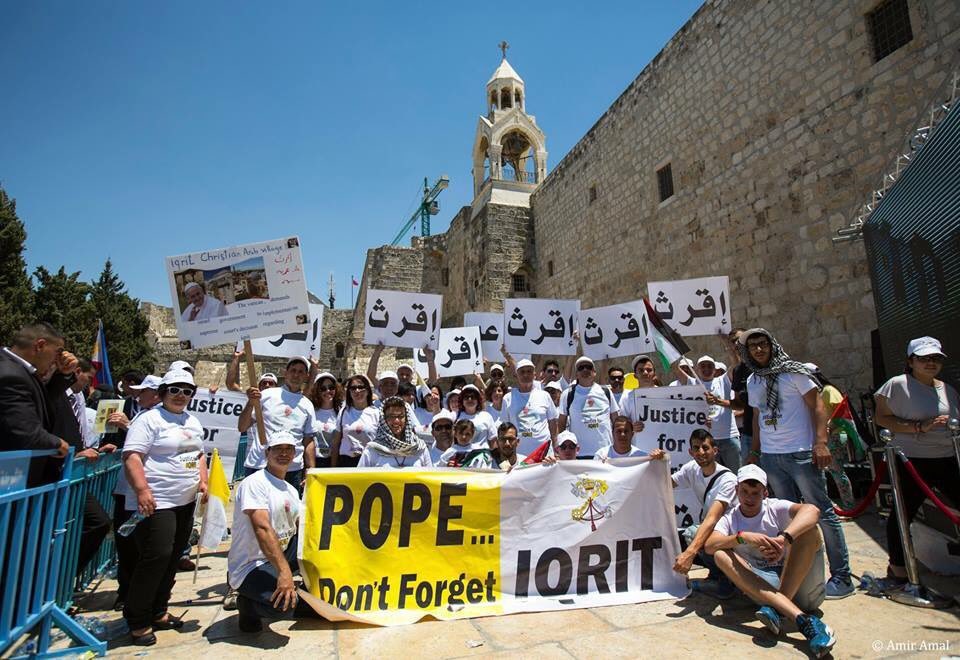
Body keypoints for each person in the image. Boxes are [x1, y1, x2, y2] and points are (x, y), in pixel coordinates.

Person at [739, 328, 853, 599]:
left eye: (763, 344)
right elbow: (757, 416)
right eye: (753, 346)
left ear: (772, 345)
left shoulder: (795, 371)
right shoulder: (754, 381)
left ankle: (842, 575)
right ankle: (799, 574)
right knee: (789, 519)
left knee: (822, 512)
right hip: (772, 455)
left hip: (801, 452)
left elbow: (817, 407)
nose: (758, 350)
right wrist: (755, 452)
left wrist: (821, 442)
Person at [706, 465, 835, 658]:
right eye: (744, 492)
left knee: (809, 531)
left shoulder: (775, 507)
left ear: (765, 493)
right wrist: (743, 537)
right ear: (736, 491)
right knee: (720, 554)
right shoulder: (731, 517)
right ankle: (803, 620)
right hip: (766, 587)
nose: (749, 498)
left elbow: (813, 510)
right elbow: (710, 545)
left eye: (755, 493)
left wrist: (785, 539)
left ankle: (779, 610)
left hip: (800, 588)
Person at [121, 369, 208, 646]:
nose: (181, 395)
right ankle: (137, 620)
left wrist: (203, 482)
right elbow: (132, 456)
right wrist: (142, 490)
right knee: (155, 556)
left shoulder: (192, 421)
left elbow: (198, 455)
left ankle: (158, 610)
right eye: (175, 390)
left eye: (187, 391)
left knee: (172, 559)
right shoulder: (149, 420)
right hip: (157, 502)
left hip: (185, 500)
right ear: (162, 392)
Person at [874, 336, 960, 586]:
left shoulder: (948, 390)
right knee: (903, 514)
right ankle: (899, 568)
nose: (930, 363)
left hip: (946, 458)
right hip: (912, 459)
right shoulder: (896, 386)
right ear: (911, 361)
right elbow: (882, 418)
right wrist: (918, 427)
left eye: (935, 358)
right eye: (924, 359)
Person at [228, 430, 310, 633]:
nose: (284, 454)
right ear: (267, 453)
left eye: (288, 449)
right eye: (278, 449)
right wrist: (284, 573)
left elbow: (304, 527)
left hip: (278, 555)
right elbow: (262, 528)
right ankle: (247, 605)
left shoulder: (290, 490)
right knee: (286, 605)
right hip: (251, 564)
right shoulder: (255, 483)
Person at [107, 374, 161, 612]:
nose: (138, 395)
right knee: (127, 544)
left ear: (156, 393)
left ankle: (139, 600)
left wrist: (128, 426)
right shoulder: (143, 414)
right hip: (127, 491)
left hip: (143, 494)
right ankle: (128, 593)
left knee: (142, 549)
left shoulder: (153, 418)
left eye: (143, 391)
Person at [671, 429, 739, 599]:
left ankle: (725, 581)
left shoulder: (728, 480)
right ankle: (716, 574)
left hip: (731, 534)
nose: (701, 452)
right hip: (715, 531)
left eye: (705, 447)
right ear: (690, 452)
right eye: (696, 448)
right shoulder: (691, 468)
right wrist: (656, 462)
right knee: (677, 537)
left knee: (693, 534)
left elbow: (712, 518)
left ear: (715, 450)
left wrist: (690, 553)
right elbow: (666, 483)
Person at [238, 356, 317, 490]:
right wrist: (250, 403)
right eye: (293, 370)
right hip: (260, 464)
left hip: (291, 469)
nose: (296, 375)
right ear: (285, 373)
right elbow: (242, 427)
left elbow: (308, 441)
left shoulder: (307, 405)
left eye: (301, 372)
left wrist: (311, 470)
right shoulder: (266, 395)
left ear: (306, 376)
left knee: (287, 510)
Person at [0, 322, 72, 459]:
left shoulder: (19, 371)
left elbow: (44, 403)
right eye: (58, 352)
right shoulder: (11, 375)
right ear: (40, 346)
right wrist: (59, 444)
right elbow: (26, 432)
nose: (58, 359)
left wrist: (63, 374)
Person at [805, 363, 855, 510]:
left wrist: (827, 425)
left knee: (837, 471)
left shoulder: (828, 391)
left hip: (835, 435)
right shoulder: (818, 393)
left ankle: (849, 506)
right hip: (824, 436)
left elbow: (840, 413)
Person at [559, 356, 619, 459]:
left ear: (594, 372)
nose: (585, 370)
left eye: (588, 367)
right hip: (578, 455)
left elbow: (616, 420)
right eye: (581, 368)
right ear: (576, 374)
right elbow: (561, 424)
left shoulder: (606, 391)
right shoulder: (567, 394)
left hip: (604, 454)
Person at [502, 359, 559, 456]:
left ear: (534, 375)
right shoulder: (508, 398)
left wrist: (556, 449)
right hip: (519, 455)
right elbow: (505, 428)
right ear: (516, 375)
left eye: (529, 371)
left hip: (544, 454)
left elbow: (553, 423)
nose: (525, 375)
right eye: (522, 372)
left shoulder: (544, 395)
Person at [357, 397, 432, 468]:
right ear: (384, 419)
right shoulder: (372, 450)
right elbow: (359, 478)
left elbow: (430, 476)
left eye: (400, 416)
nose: (396, 421)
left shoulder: (419, 448)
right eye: (391, 416)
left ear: (406, 419)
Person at [698, 355, 742, 471]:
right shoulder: (693, 385)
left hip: (729, 437)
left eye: (710, 366)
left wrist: (729, 346)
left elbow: (737, 364)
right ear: (698, 369)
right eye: (703, 366)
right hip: (708, 440)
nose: (706, 369)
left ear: (715, 369)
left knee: (736, 473)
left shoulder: (723, 380)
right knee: (714, 475)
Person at [329, 375, 379, 467]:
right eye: (353, 388)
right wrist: (333, 468)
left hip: (369, 462)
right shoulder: (344, 412)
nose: (357, 391)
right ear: (349, 392)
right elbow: (336, 443)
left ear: (368, 390)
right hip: (346, 462)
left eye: (361, 387)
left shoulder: (376, 413)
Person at [237, 372, 279, 475]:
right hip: (254, 462)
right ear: (259, 386)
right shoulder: (250, 403)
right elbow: (242, 427)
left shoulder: (280, 407)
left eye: (270, 383)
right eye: (264, 383)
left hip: (274, 462)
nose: (267, 385)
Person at [309, 372, 342, 468]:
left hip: (336, 461)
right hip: (315, 461)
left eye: (331, 387)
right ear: (317, 391)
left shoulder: (342, 411)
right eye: (323, 388)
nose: (328, 391)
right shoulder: (311, 411)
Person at [594, 416, 660, 461]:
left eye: (626, 431)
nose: (622, 434)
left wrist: (659, 459)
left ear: (632, 434)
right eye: (619, 431)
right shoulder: (601, 455)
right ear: (612, 433)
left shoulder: (642, 457)